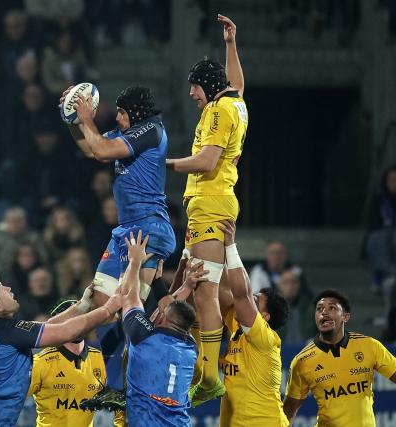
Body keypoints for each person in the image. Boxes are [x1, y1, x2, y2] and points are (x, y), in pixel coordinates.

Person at [165, 13, 247, 404]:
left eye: (195, 87)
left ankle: (210, 376)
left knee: (204, 291)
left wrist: (161, 163)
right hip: (215, 204)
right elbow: (238, 83)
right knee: (209, 289)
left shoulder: (217, 111)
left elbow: (206, 161)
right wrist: (230, 44)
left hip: (210, 204)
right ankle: (213, 363)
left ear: (208, 86)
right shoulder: (235, 104)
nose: (193, 95)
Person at [61, 83, 175, 313]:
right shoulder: (128, 132)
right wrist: (72, 118)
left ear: (136, 113)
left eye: (122, 112)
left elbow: (103, 150)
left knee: (128, 307)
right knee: (101, 304)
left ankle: (149, 348)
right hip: (126, 229)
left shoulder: (151, 130)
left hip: (148, 227)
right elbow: (90, 149)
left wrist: (86, 119)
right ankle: (114, 351)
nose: (118, 117)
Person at [0, 275, 121, 426]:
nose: (8, 288)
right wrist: (108, 308)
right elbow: (66, 332)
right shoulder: (4, 331)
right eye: (1, 288)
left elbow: (47, 327)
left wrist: (82, 306)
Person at [283, 290, 396, 426]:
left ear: (345, 317)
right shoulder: (303, 360)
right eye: (319, 309)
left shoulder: (369, 346)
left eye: (332, 308)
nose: (324, 312)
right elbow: (290, 409)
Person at [215, 220, 290, 425]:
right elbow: (222, 290)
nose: (249, 300)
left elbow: (240, 294)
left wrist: (230, 246)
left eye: (256, 300)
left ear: (265, 317)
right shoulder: (237, 327)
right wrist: (212, 244)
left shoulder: (265, 338)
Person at [120, 230, 198, 426]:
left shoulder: (144, 335)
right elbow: (171, 310)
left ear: (162, 317)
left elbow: (129, 296)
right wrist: (159, 282)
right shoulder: (190, 347)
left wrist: (135, 261)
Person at [28, 299, 107, 427]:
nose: (77, 325)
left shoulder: (101, 360)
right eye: (72, 320)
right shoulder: (41, 362)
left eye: (81, 319)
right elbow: (11, 400)